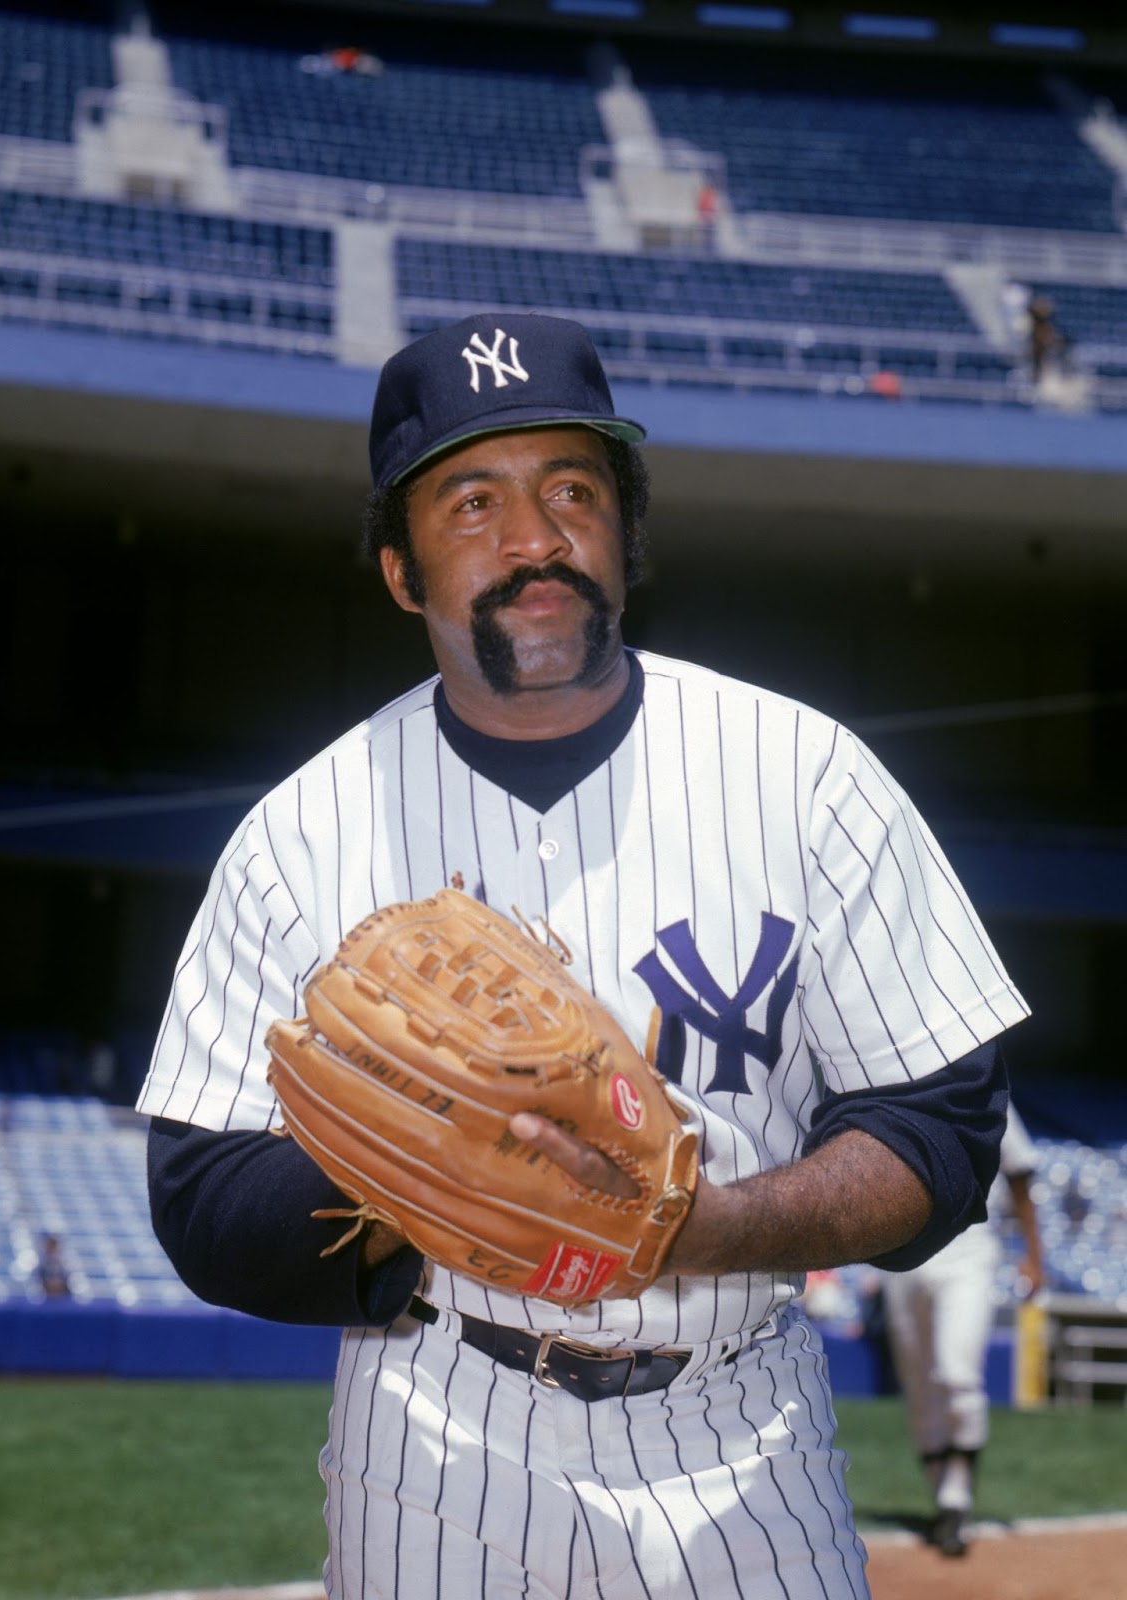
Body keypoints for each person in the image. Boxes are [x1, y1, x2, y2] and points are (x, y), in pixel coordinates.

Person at [139, 311, 1028, 1600]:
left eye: (572, 490)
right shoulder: (300, 830)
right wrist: (441, 1180)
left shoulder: (806, 774)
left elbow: (939, 1132)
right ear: (399, 570)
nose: (532, 540)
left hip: (743, 1432)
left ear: (625, 534)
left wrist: (699, 1230)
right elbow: (202, 1192)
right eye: (470, 503)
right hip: (438, 1424)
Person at [882, 1101, 1044, 1558]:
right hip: (901, 1252)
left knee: (958, 1375)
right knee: (918, 1384)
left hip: (969, 1248)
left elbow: (1020, 1173)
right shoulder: (891, 1087)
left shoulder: (985, 1092)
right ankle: (945, 1501)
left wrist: (1035, 1256)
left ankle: (957, 1494)